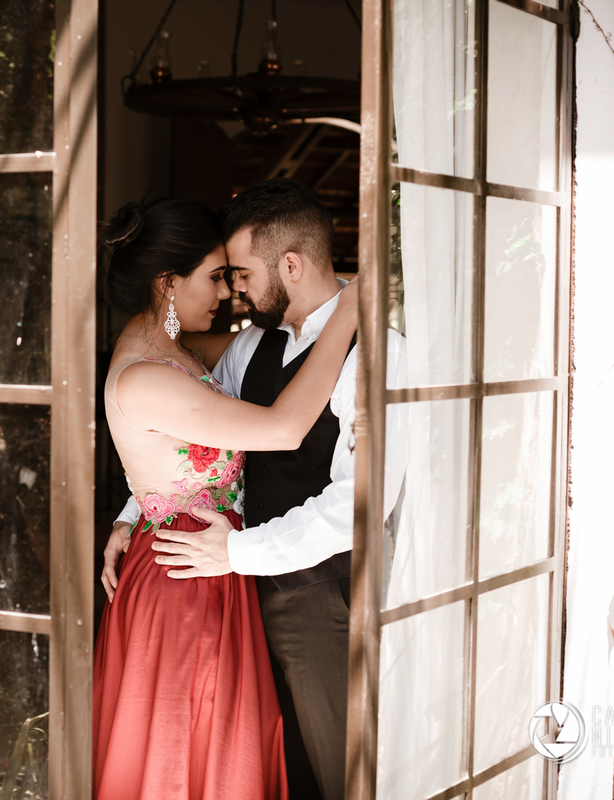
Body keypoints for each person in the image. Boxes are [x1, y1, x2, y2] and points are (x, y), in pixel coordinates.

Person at [105, 178, 407, 800]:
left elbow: (359, 504)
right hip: (225, 588)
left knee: (340, 775)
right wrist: (137, 509)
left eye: (238, 274)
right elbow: (187, 443)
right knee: (244, 764)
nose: (232, 291)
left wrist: (237, 552)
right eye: (221, 276)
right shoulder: (247, 348)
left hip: (321, 599)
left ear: (290, 266)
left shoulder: (377, 357)